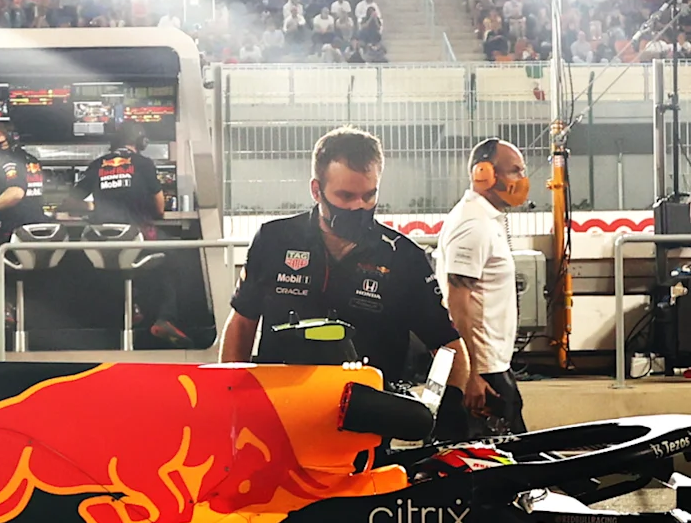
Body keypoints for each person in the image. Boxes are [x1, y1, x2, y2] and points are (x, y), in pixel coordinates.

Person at [223, 126, 455, 386]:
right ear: (316, 190)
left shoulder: (403, 256)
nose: (359, 206)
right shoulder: (274, 239)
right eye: (346, 196)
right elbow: (242, 324)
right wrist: (230, 393)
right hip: (282, 408)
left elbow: (448, 346)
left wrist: (447, 403)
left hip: (371, 413)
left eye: (369, 195)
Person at [436, 139, 531, 437]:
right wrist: (471, 374)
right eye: (514, 171)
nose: (522, 179)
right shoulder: (473, 224)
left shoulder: (485, 219)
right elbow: (457, 302)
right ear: (484, 173)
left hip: (490, 363)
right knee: (495, 464)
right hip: (482, 369)